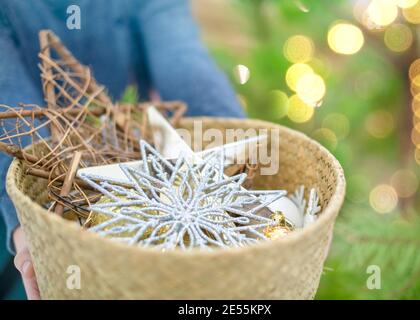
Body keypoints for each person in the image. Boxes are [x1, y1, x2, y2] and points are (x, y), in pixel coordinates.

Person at [0, 0, 244, 299]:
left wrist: (235, 155)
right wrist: (27, 226)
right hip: (39, 201)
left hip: (135, 179)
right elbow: (8, 102)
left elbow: (184, 61)